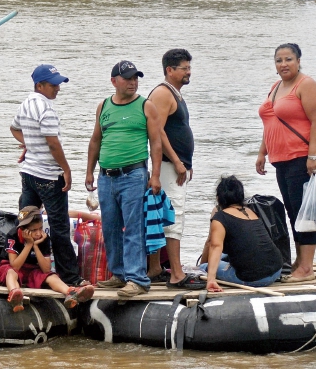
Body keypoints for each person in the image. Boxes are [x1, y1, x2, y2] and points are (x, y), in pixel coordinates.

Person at [86, 60, 162, 297]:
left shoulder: (145, 106)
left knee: (133, 228)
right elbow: (96, 140)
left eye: (135, 78)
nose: (133, 82)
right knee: (110, 227)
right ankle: (118, 275)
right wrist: (89, 171)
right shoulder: (104, 106)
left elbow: (156, 142)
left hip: (134, 174)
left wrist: (156, 175)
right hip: (107, 176)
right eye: (128, 78)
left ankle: (137, 279)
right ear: (114, 81)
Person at [10, 64, 85, 287]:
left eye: (58, 84)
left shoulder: (26, 104)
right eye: (53, 85)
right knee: (59, 225)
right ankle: (70, 276)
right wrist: (67, 169)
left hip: (29, 174)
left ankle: (19, 265)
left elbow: (14, 128)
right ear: (39, 85)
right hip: (50, 176)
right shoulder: (46, 109)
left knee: (25, 220)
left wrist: (28, 145)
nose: (57, 88)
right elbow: (53, 143)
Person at [257, 43, 316, 283]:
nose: (284, 64)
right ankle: (300, 262)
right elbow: (270, 123)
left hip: (300, 158)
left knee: (306, 213)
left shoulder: (306, 85)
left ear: (299, 60)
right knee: (293, 212)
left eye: (289, 59)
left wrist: (313, 156)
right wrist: (262, 153)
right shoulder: (276, 87)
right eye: (279, 60)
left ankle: (306, 268)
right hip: (280, 160)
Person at [145, 49, 204, 290]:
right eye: (184, 68)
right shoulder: (162, 92)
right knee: (173, 216)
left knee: (161, 215)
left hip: (177, 165)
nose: (189, 72)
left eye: (189, 67)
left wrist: (186, 162)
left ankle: (156, 268)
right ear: (170, 70)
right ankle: (177, 274)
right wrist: (178, 162)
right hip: (169, 166)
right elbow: (156, 131)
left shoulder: (175, 94)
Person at [0, 206, 95, 312]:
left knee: (51, 276)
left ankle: (70, 292)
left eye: (40, 228)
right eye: (34, 230)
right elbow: (15, 265)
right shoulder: (13, 235)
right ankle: (15, 294)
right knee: (11, 272)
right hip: (11, 267)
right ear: (23, 229)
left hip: (32, 269)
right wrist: (29, 244)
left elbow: (46, 269)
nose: (38, 233)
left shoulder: (44, 238)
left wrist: (36, 246)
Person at [200, 176, 283, 291]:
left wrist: (210, 279)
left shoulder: (220, 217)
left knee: (203, 267)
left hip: (254, 278)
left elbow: (214, 246)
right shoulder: (250, 211)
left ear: (219, 198)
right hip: (276, 270)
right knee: (224, 257)